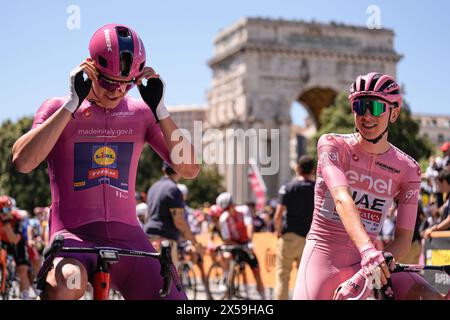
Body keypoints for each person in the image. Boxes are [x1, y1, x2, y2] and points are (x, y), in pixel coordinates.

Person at [12, 24, 199, 300]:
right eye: (109, 82)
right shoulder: (58, 107)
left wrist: (161, 110)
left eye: (127, 84)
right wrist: (71, 105)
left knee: (174, 299)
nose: (117, 91)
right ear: (90, 70)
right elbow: (23, 162)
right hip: (74, 236)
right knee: (66, 286)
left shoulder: (142, 113)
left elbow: (190, 168)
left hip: (129, 238)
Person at [293, 72, 444, 300]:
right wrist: (368, 252)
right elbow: (342, 198)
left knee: (429, 295)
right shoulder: (333, 145)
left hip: (370, 265)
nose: (366, 115)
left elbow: (403, 239)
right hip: (323, 259)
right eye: (359, 105)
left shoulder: (408, 168)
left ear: (394, 113)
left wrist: (366, 273)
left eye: (375, 108)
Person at [273, 155, 315, 300]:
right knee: (305, 279)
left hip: (289, 236)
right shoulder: (317, 188)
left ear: (298, 168)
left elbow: (278, 215)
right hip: (310, 239)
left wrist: (278, 232)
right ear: (313, 170)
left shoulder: (288, 187)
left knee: (282, 275)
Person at [145, 163, 203, 266]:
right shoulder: (173, 189)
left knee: (152, 274)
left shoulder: (153, 187)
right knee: (170, 277)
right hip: (165, 239)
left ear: (163, 170)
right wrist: (196, 244)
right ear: (179, 170)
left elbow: (147, 215)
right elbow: (179, 222)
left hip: (149, 238)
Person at [216, 192, 266, 299]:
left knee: (255, 270)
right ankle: (225, 278)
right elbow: (226, 238)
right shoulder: (223, 218)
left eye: (228, 207)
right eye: (224, 209)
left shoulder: (244, 210)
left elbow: (249, 226)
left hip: (246, 243)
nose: (227, 211)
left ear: (232, 204)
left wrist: (250, 241)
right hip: (233, 244)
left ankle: (263, 296)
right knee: (225, 256)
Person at [422, 169, 450, 238]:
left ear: (444, 182)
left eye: (438, 184)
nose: (438, 187)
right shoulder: (447, 197)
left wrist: (435, 228)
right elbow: (441, 210)